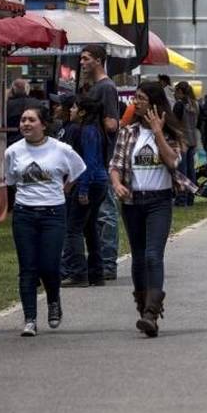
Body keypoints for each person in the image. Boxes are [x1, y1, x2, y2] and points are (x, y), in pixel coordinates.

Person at [110, 81, 196, 337]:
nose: (136, 102)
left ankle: (152, 312)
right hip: (133, 201)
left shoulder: (171, 132)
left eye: (141, 98)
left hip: (159, 201)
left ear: (154, 102)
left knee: (152, 255)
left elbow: (172, 161)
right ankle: (143, 308)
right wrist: (116, 184)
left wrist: (158, 132)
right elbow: (114, 164)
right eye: (135, 98)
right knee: (137, 258)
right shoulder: (128, 132)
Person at [5, 105, 87, 337]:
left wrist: (64, 188)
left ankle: (53, 299)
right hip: (24, 214)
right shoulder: (13, 151)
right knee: (27, 267)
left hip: (53, 213)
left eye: (31, 120)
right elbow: (11, 179)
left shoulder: (61, 149)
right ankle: (30, 318)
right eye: (23, 120)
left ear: (43, 124)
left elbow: (78, 170)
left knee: (49, 265)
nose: (26, 124)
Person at [80, 44, 120, 281]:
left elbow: (112, 124)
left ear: (98, 60)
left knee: (106, 212)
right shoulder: (95, 87)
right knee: (95, 213)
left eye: (86, 59)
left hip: (103, 158)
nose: (82, 63)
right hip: (92, 158)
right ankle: (98, 261)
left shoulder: (106, 87)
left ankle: (107, 263)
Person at [60, 97, 110, 288]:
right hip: (99, 181)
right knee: (90, 227)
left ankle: (78, 272)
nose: (71, 110)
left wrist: (82, 189)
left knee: (73, 229)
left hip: (91, 182)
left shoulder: (88, 131)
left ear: (82, 112)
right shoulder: (96, 130)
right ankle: (96, 272)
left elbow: (89, 163)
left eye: (74, 107)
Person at [172, 81, 200, 207]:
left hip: (182, 140)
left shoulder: (179, 105)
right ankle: (191, 197)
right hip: (193, 139)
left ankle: (181, 199)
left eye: (176, 91)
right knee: (191, 170)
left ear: (180, 92)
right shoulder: (195, 104)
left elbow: (174, 122)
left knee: (181, 171)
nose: (174, 94)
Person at [5, 79, 40, 146]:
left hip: (12, 141)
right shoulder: (37, 104)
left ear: (12, 90)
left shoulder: (6, 105)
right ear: (27, 90)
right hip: (33, 140)